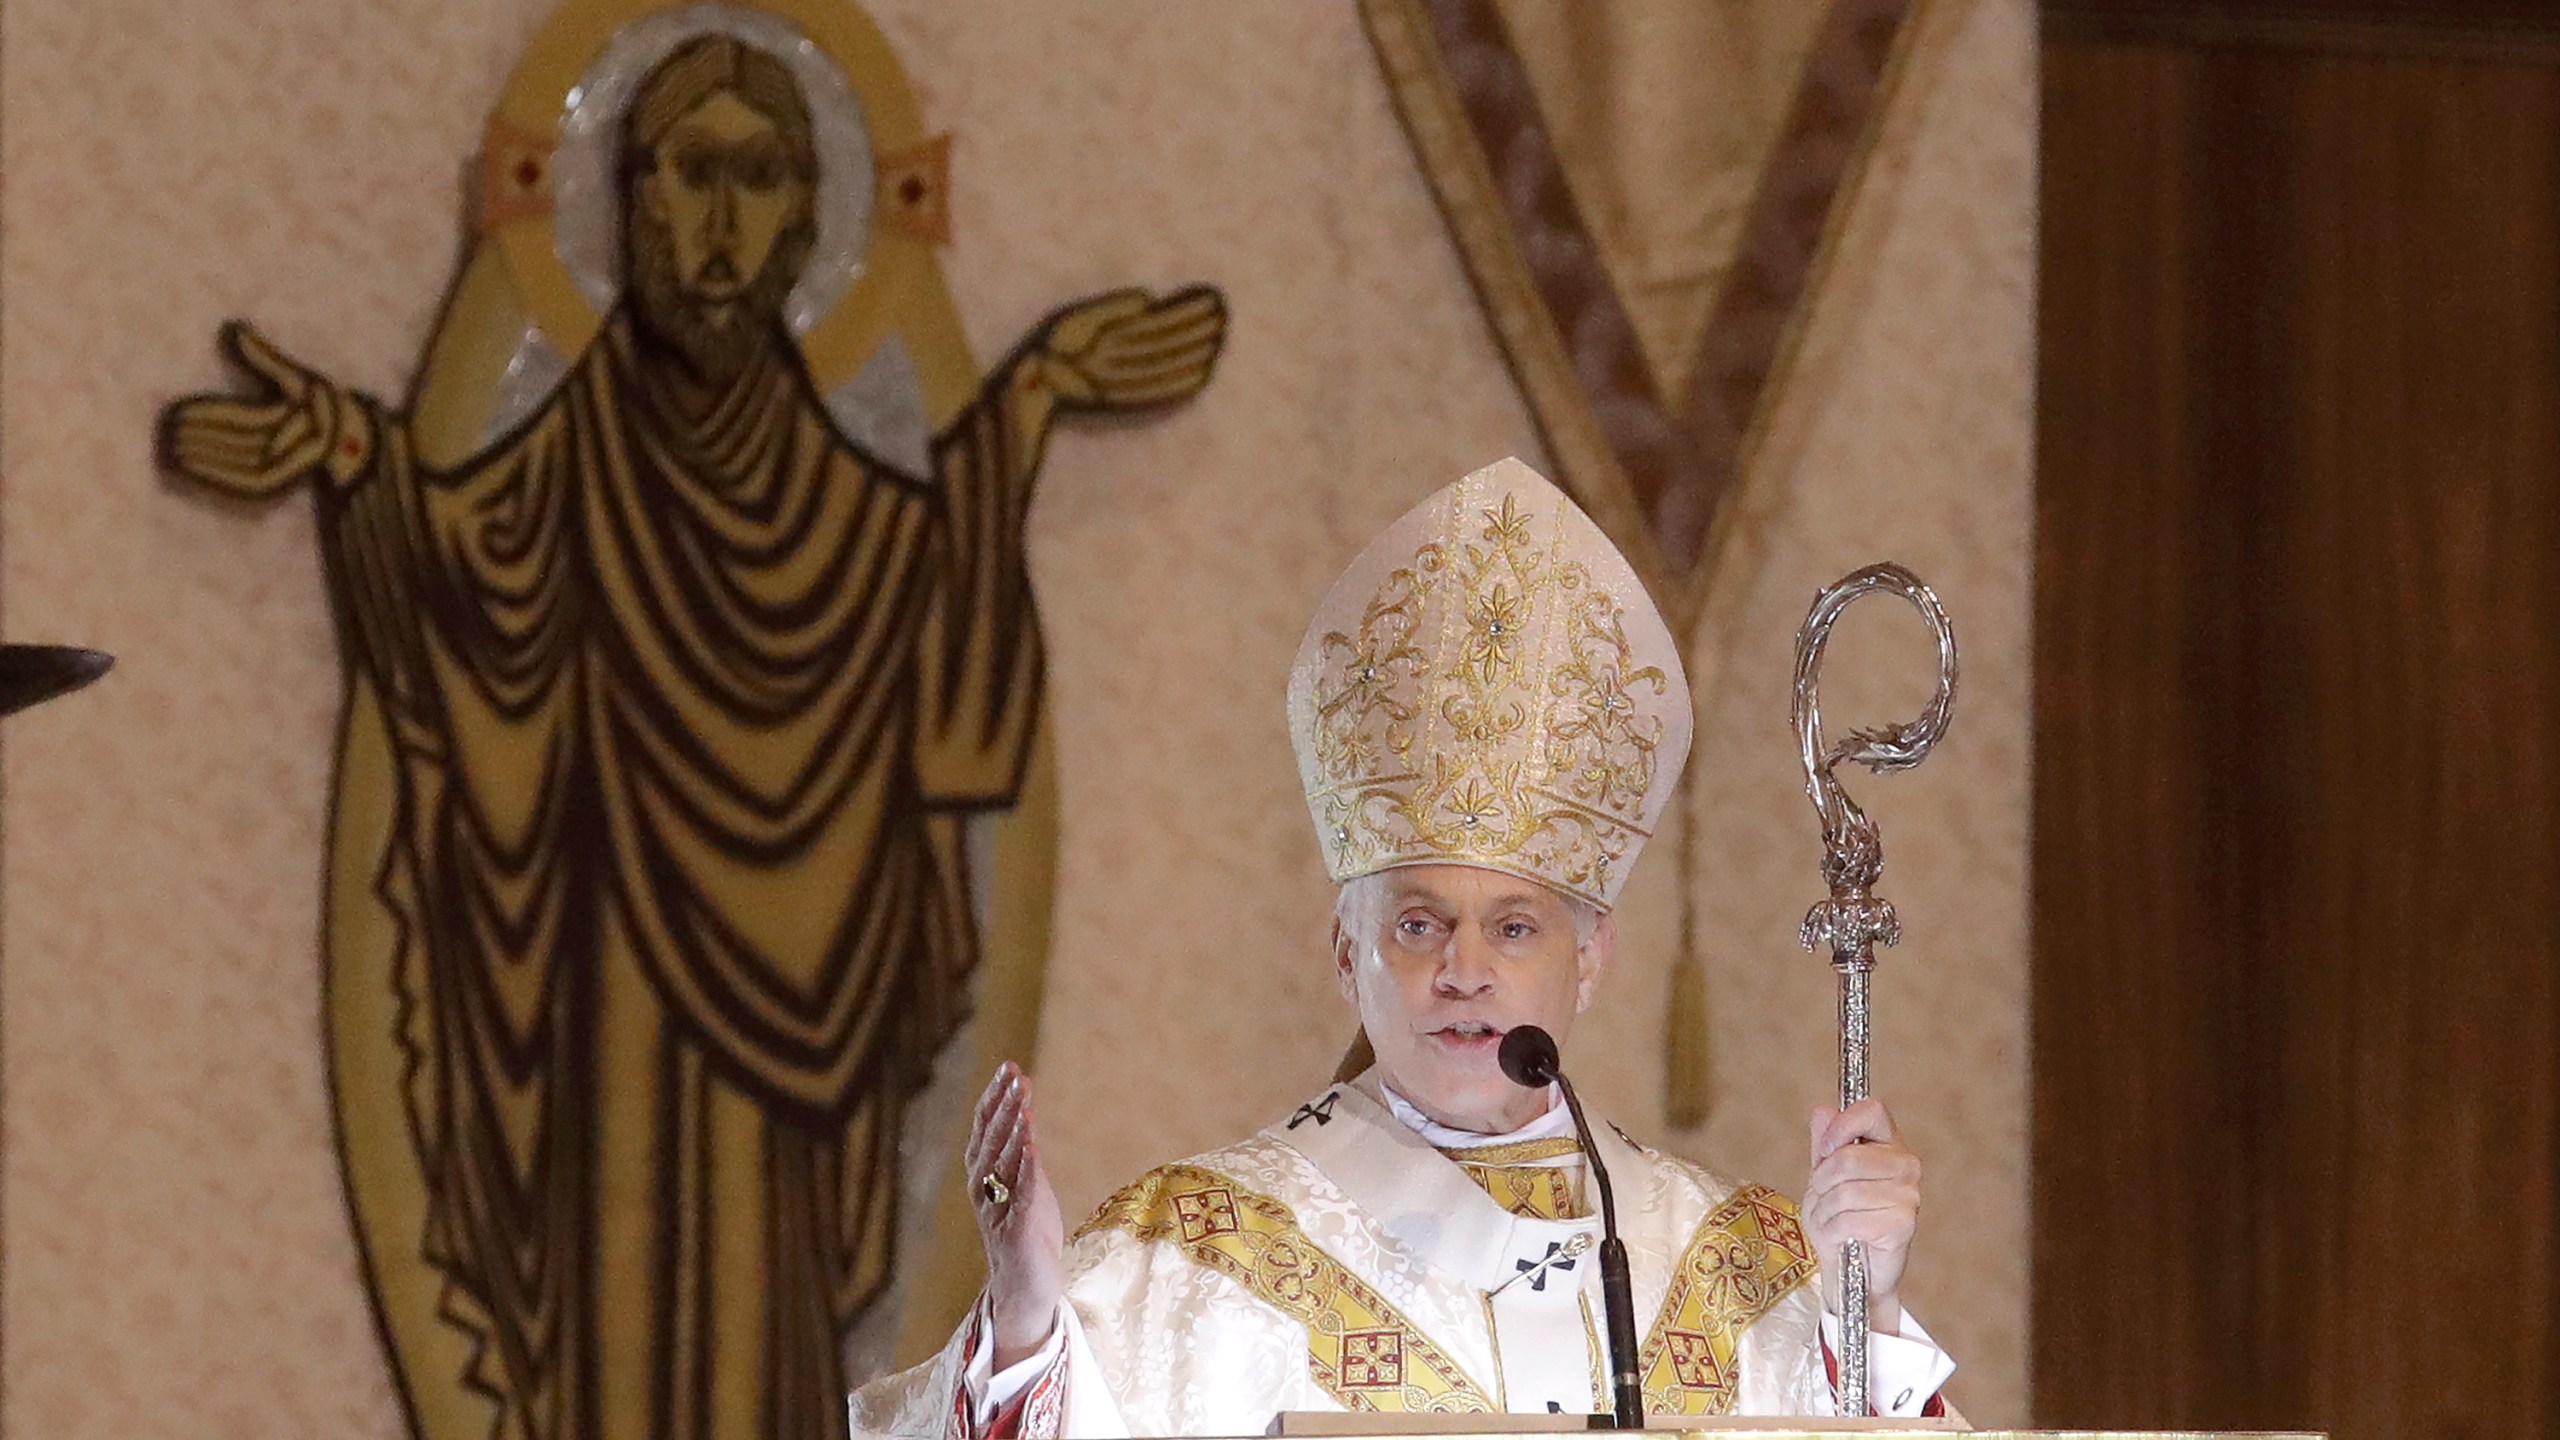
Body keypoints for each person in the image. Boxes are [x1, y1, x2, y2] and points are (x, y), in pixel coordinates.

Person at [160, 31, 1222, 1440]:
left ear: (807, 220)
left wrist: (1027, 404)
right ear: (630, 200)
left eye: (764, 180)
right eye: (689, 175)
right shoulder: (568, 471)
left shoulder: (844, 510)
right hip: (607, 1041)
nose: (722, 224)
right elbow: (463, 611)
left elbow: (930, 658)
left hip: (787, 1112)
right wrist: (355, 461)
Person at [853, 458, 1954, 1436]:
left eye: (1514, 927)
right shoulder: (1193, 1256)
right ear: (1347, 955)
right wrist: (1028, 1327)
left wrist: (1875, 1311)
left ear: (1590, 959)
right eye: (1418, 924)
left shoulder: (1741, 1267)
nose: (1462, 969)